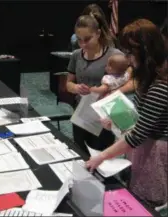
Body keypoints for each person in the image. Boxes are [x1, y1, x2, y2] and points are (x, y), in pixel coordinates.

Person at [86, 19, 168, 208]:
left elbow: (138, 135)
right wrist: (116, 122)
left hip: (154, 151)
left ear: (145, 52)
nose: (127, 59)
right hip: (145, 146)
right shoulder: (148, 76)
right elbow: (142, 118)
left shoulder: (160, 86)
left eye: (130, 53)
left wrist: (102, 156)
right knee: (137, 195)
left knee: (146, 202)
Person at [66, 15, 130, 154]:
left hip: (103, 116)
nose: (83, 44)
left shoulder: (114, 55)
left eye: (87, 39)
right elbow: (68, 84)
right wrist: (76, 88)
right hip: (81, 112)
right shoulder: (76, 55)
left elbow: (130, 81)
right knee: (80, 152)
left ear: (98, 33)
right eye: (79, 40)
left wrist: (113, 92)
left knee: (100, 155)